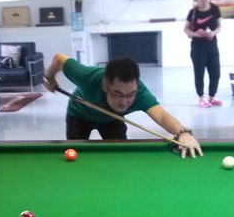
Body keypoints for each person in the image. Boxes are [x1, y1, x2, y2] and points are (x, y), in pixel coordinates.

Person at [43, 54, 202, 159]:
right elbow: (59, 59)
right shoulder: (86, 76)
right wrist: (50, 78)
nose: (125, 102)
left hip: (112, 119)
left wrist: (183, 133)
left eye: (130, 94)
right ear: (105, 86)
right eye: (118, 94)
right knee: (75, 153)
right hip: (79, 114)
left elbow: (162, 116)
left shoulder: (140, 93)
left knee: (121, 155)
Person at [183, 0, 223, 108]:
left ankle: (212, 96)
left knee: (215, 72)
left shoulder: (215, 9)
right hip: (198, 46)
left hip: (212, 45)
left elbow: (219, 26)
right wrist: (194, 34)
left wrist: (213, 33)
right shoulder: (193, 12)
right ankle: (201, 97)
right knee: (199, 72)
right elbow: (186, 28)